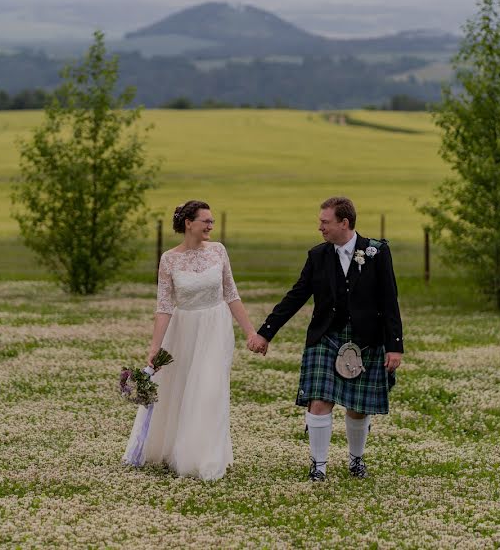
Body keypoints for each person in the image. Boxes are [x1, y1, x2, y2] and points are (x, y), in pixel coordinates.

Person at [247, 196, 403, 481]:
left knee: (358, 407)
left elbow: (389, 300)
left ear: (344, 223)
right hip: (326, 336)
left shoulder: (376, 252)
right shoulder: (318, 255)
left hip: (366, 338)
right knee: (319, 400)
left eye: (325, 222)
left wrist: (394, 346)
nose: (320, 227)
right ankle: (318, 466)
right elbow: (296, 296)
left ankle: (356, 460)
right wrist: (265, 331)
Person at [123, 200, 257, 480]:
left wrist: (250, 332)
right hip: (183, 330)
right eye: (205, 221)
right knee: (180, 389)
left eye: (212, 221)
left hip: (215, 328)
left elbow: (231, 294)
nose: (210, 226)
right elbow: (164, 306)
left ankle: (205, 458)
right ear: (188, 223)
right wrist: (154, 347)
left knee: (209, 389)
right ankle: (173, 449)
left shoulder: (219, 251)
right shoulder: (169, 259)